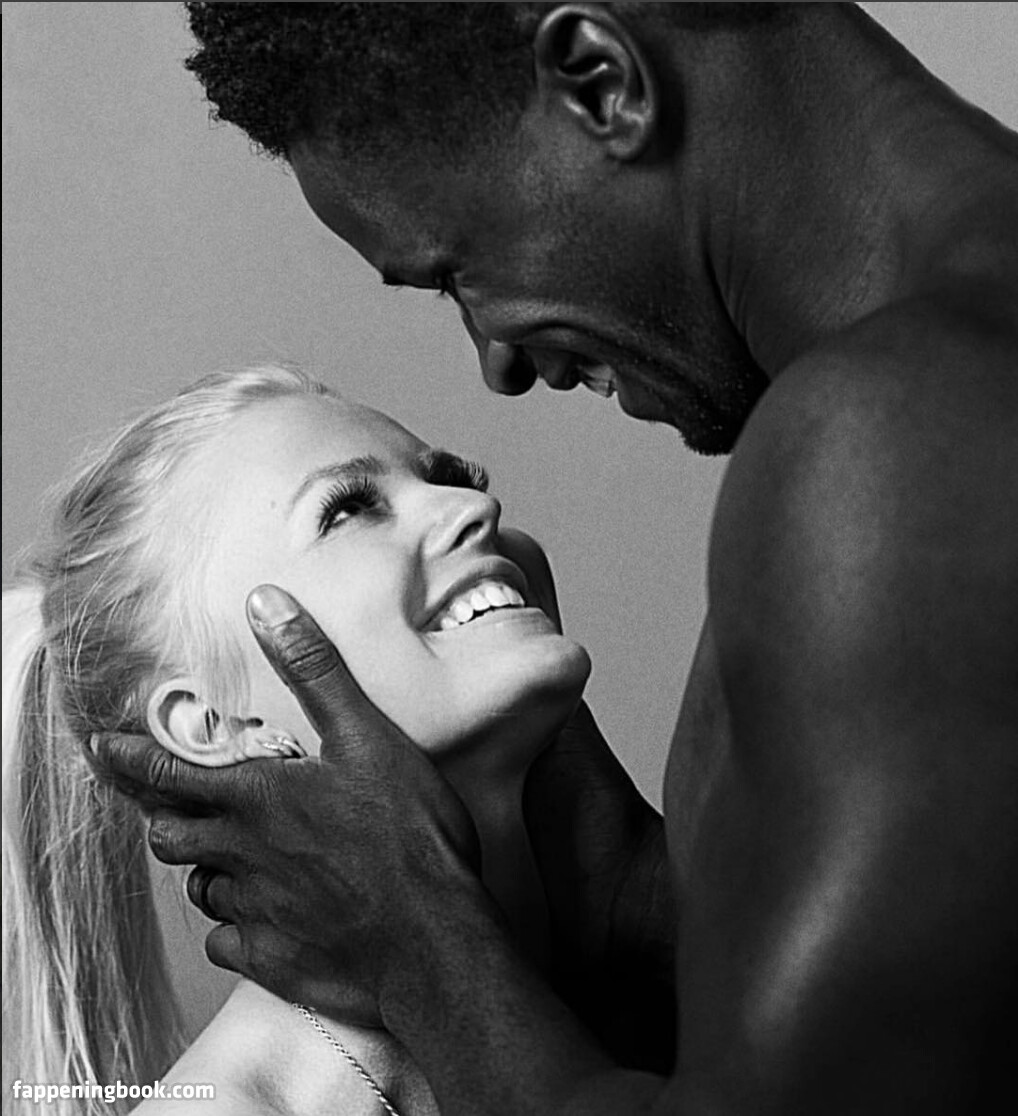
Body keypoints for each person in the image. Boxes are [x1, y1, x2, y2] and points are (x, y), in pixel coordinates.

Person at [96, 4, 1018, 1114]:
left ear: (597, 82)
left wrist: (416, 944)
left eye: (457, 272)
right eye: (348, 508)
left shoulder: (902, 429)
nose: (497, 361)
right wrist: (625, 892)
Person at [2, 363, 602, 1116]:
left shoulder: (673, 1002)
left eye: (452, 477)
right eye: (347, 509)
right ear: (218, 725)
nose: (476, 505)